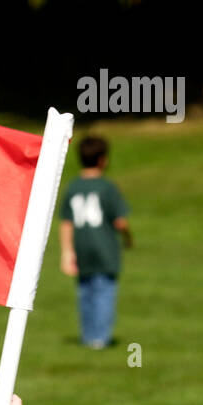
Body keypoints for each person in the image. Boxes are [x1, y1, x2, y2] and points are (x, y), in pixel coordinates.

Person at [59, 134, 132, 349]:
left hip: (81, 247)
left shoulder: (72, 187)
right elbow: (120, 222)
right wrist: (128, 238)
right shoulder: (107, 187)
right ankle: (100, 338)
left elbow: (66, 222)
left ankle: (88, 335)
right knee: (104, 292)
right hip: (105, 248)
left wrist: (66, 252)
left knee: (85, 292)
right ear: (103, 159)